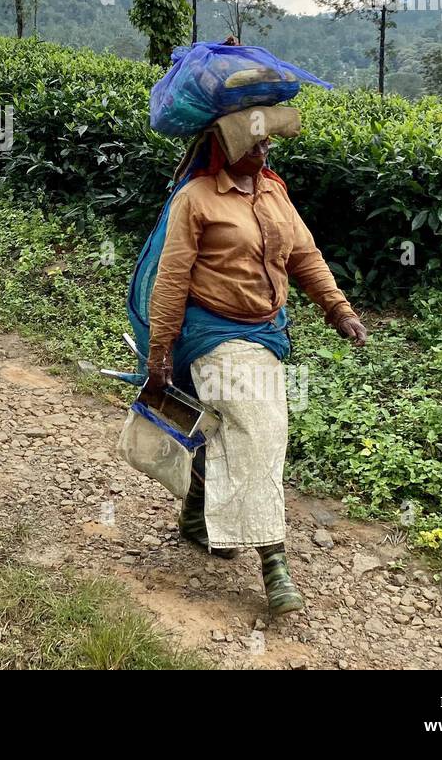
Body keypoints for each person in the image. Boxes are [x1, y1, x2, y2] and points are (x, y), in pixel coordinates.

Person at [143, 110, 367, 616]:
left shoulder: (273, 192)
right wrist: (160, 351)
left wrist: (338, 310)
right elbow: (173, 278)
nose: (264, 152)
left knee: (223, 430)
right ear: (225, 147)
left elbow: (305, 257)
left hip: (265, 332)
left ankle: (197, 517)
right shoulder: (195, 199)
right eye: (253, 145)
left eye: (267, 145)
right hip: (212, 332)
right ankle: (274, 562)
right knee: (260, 428)